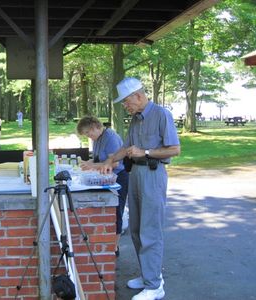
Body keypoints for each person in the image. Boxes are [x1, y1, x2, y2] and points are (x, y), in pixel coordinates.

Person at [100, 77, 180, 300]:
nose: (125, 106)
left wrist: (145, 152)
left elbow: (174, 149)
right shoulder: (135, 119)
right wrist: (109, 161)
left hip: (153, 175)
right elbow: (126, 148)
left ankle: (155, 286)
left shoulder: (162, 114)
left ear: (138, 95)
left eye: (126, 101)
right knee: (135, 230)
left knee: (150, 231)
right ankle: (148, 276)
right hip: (135, 173)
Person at [76, 116, 129, 257]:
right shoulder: (98, 139)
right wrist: (88, 162)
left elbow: (114, 163)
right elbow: (99, 158)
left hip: (118, 178)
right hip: (106, 178)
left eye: (89, 133)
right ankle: (106, 243)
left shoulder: (110, 138)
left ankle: (114, 247)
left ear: (95, 127)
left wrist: (92, 165)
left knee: (116, 211)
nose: (89, 136)